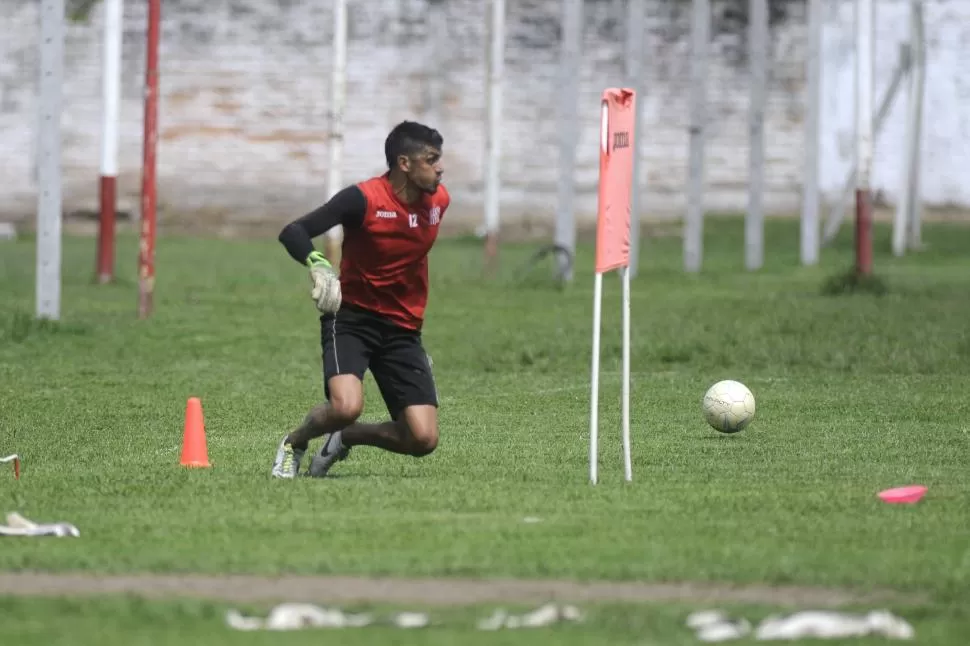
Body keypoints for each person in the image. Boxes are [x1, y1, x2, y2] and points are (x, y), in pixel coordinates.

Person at [271, 120, 449, 479]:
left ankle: (346, 437)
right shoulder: (363, 199)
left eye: (439, 158)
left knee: (423, 439)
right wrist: (318, 264)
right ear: (404, 163)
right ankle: (296, 442)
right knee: (345, 406)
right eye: (431, 159)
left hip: (403, 327)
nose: (440, 167)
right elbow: (294, 231)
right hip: (352, 318)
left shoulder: (438, 202)